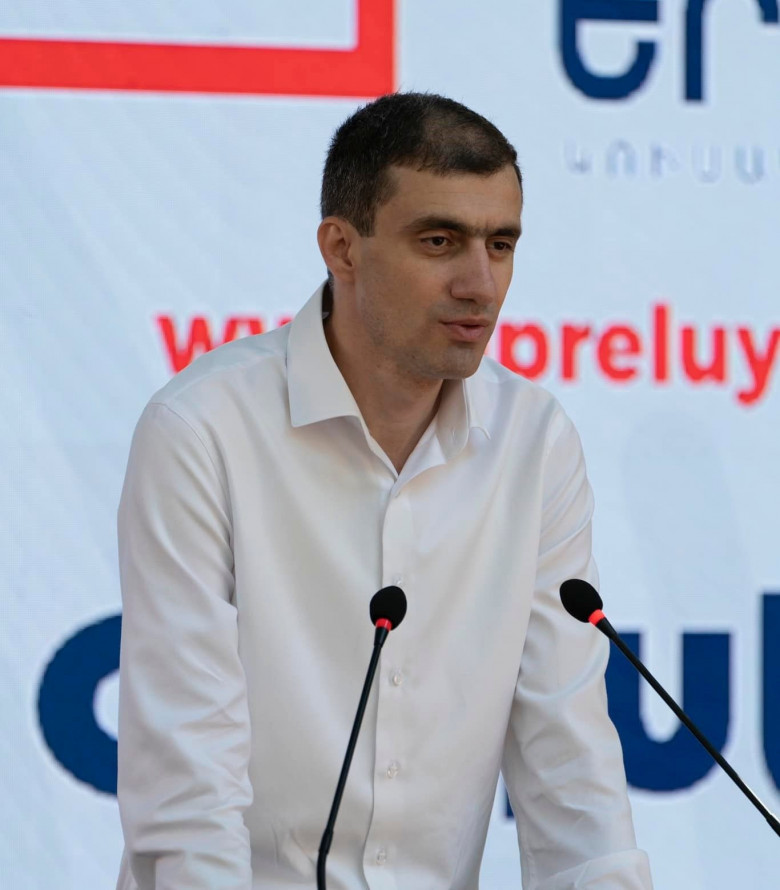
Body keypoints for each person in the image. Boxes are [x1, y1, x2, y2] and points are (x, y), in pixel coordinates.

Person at [116, 92, 653, 890]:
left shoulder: (534, 441)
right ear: (342, 247)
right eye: (440, 241)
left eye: (501, 244)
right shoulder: (203, 429)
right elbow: (187, 787)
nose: (480, 284)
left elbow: (569, 761)